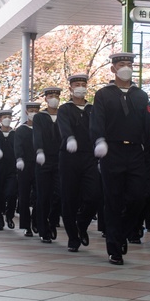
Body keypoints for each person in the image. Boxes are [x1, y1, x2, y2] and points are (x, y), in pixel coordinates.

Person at [90, 52, 150, 266]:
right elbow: (98, 120)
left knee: (139, 197)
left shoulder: (140, 95)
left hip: (135, 153)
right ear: (113, 69)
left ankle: (122, 232)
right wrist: (99, 140)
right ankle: (115, 248)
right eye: (121, 64)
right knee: (113, 200)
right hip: (112, 152)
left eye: (129, 64)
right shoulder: (103, 94)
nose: (126, 68)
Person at [57, 74, 102, 252]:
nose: (81, 88)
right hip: (69, 156)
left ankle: (81, 223)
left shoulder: (93, 109)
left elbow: (99, 126)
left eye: (83, 84)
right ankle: (73, 237)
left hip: (90, 156)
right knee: (69, 198)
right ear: (70, 88)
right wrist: (69, 138)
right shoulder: (65, 109)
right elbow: (64, 126)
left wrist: (100, 142)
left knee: (94, 195)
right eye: (77, 85)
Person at [32, 90, 62, 243]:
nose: (54, 99)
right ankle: (44, 229)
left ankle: (52, 221)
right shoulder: (40, 117)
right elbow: (37, 135)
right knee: (44, 195)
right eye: (51, 97)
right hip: (43, 160)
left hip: (60, 159)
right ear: (45, 99)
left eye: (56, 96)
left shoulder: (63, 114)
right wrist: (39, 151)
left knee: (59, 194)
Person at [14, 101, 40, 237]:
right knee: (24, 195)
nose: (34, 113)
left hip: (39, 164)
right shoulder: (21, 130)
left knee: (39, 195)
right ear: (26, 112)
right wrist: (19, 158)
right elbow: (17, 146)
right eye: (31, 110)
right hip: (24, 165)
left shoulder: (41, 128)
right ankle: (26, 225)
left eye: (36, 110)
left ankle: (36, 221)